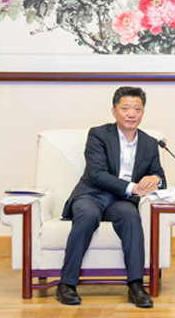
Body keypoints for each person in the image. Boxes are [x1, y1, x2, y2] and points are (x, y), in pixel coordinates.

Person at [56, 86, 166, 308]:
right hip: (92, 194)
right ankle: (66, 284)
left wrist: (155, 179)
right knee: (87, 215)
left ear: (143, 112)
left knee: (131, 216)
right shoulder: (98, 134)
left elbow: (160, 176)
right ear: (114, 111)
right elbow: (97, 174)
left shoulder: (150, 143)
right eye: (125, 108)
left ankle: (136, 286)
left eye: (137, 109)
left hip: (121, 201)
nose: (131, 114)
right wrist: (133, 187)